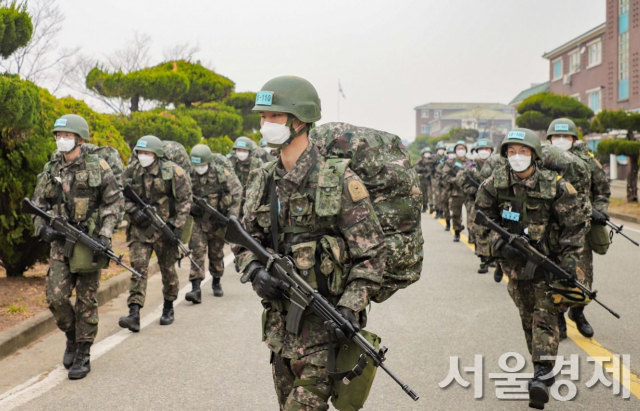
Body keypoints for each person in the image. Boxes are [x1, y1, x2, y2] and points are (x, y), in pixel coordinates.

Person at [233, 75, 385, 411]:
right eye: (263, 117)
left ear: (299, 120)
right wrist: (256, 270)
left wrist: (349, 306)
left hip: (325, 332)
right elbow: (242, 240)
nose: (265, 124)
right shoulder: (262, 180)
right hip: (279, 333)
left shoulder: (339, 180)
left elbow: (371, 254)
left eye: (273, 116)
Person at [475, 128, 586, 409]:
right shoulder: (494, 184)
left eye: (523, 152)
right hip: (515, 268)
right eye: (511, 152)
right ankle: (542, 366)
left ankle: (541, 373)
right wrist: (499, 246)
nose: (517, 157)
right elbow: (479, 222)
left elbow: (574, 229)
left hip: (550, 266)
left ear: (534, 155)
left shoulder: (556, 186)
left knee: (544, 317)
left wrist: (571, 265)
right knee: (528, 317)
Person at [31, 114, 124, 380]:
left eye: (67, 136)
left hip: (89, 243)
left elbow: (114, 203)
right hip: (61, 244)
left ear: (79, 139)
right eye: (58, 136)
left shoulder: (98, 167)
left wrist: (105, 235)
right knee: (56, 298)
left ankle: (83, 352)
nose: (61, 140)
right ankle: (71, 335)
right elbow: (37, 205)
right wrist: (43, 228)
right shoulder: (51, 169)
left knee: (86, 300)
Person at [118, 135, 192, 331]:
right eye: (140, 153)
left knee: (168, 270)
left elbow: (185, 200)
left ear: (157, 154)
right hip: (140, 230)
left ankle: (168, 306)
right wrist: (133, 210)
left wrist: (177, 225)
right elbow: (118, 193)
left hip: (164, 229)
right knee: (138, 269)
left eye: (147, 153)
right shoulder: (132, 170)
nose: (143, 156)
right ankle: (134, 312)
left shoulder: (174, 172)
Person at [546, 118, 611, 339]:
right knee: (555, 273)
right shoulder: (543, 160)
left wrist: (599, 210)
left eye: (566, 137)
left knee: (583, 275)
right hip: (551, 229)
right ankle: (558, 318)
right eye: (557, 137)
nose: (561, 140)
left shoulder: (589, 161)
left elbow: (602, 190)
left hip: (580, 228)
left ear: (574, 139)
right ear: (549, 139)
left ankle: (578, 312)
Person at [186, 144, 242, 301]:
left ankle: (216, 281)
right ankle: (195, 288)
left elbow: (237, 192)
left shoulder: (221, 174)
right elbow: (181, 194)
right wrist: (191, 207)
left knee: (216, 254)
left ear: (209, 163)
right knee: (197, 252)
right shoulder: (189, 174)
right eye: (197, 165)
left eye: (202, 165)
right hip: (198, 222)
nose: (199, 168)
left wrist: (231, 216)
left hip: (217, 221)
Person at [459, 139, 494, 266]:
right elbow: (462, 182)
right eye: (481, 150)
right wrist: (474, 190)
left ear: (491, 151)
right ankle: (483, 257)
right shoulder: (470, 167)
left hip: (492, 203)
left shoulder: (496, 166)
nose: (484, 152)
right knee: (477, 227)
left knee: (493, 229)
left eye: (487, 149)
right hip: (474, 202)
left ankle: (491, 255)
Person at [230, 136, 263, 218]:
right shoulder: (230, 162)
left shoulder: (257, 164)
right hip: (234, 202)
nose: (241, 153)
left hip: (251, 202)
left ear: (249, 151)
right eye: (239, 150)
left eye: (244, 150)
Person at [441, 142, 468, 239]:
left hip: (468, 192)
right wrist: (455, 180)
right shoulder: (450, 163)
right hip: (456, 192)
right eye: (459, 148)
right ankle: (457, 231)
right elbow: (445, 175)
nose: (461, 150)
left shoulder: (470, 162)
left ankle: (472, 237)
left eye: (463, 148)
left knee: (472, 216)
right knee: (456, 214)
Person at [414, 147, 434, 213]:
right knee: (423, 194)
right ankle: (424, 206)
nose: (427, 154)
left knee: (430, 193)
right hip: (422, 180)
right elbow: (416, 168)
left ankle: (431, 206)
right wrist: (422, 169)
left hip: (429, 180)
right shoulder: (420, 162)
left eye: (428, 153)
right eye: (426, 153)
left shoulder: (433, 161)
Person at [432, 142, 447, 218]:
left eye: (442, 149)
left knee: (443, 196)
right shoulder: (434, 158)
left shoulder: (446, 158)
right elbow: (430, 168)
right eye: (439, 149)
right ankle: (437, 211)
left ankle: (442, 211)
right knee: (437, 196)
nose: (441, 151)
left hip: (444, 179)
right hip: (436, 179)